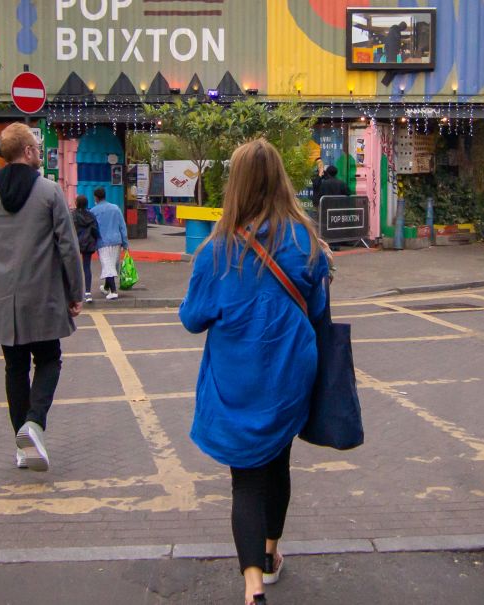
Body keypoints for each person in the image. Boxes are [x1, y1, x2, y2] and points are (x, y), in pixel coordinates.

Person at [179, 139, 330, 605]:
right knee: (278, 461)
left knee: (245, 479)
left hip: (236, 379)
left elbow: (191, 318)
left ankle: (252, 588)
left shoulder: (216, 251)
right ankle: (270, 552)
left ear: (236, 185)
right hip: (288, 375)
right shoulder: (305, 242)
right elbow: (320, 311)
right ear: (281, 180)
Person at [0, 123, 84, 473]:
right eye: (36, 146)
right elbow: (68, 247)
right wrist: (75, 292)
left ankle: (23, 447)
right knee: (49, 360)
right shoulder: (50, 193)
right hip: (45, 299)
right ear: (30, 152)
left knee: (15, 368)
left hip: (3, 303)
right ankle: (33, 424)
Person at [89, 186, 128, 300]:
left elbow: (92, 228)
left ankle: (114, 291)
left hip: (102, 241)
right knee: (112, 264)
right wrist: (125, 243)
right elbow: (122, 226)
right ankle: (106, 287)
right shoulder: (115, 208)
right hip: (116, 240)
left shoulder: (93, 211)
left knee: (107, 265)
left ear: (96, 197)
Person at [73, 194, 99, 303]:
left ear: (77, 203)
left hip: (75, 243)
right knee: (87, 267)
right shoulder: (91, 216)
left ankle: (73, 293)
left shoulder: (72, 215)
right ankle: (88, 293)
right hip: (88, 243)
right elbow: (95, 231)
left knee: (74, 268)